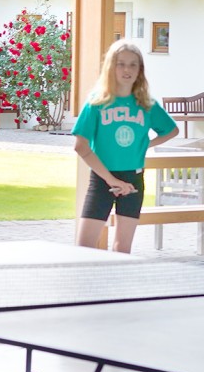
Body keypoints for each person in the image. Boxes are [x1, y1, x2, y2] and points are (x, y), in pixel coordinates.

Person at [71, 40, 178, 252]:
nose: (126, 69)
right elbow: (80, 147)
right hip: (103, 179)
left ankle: (116, 285)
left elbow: (171, 130)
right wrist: (112, 180)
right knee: (84, 247)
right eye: (121, 64)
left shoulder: (146, 104)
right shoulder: (96, 103)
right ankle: (90, 285)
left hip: (133, 179)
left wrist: (145, 144)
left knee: (122, 248)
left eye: (133, 64)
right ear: (111, 67)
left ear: (140, 70)